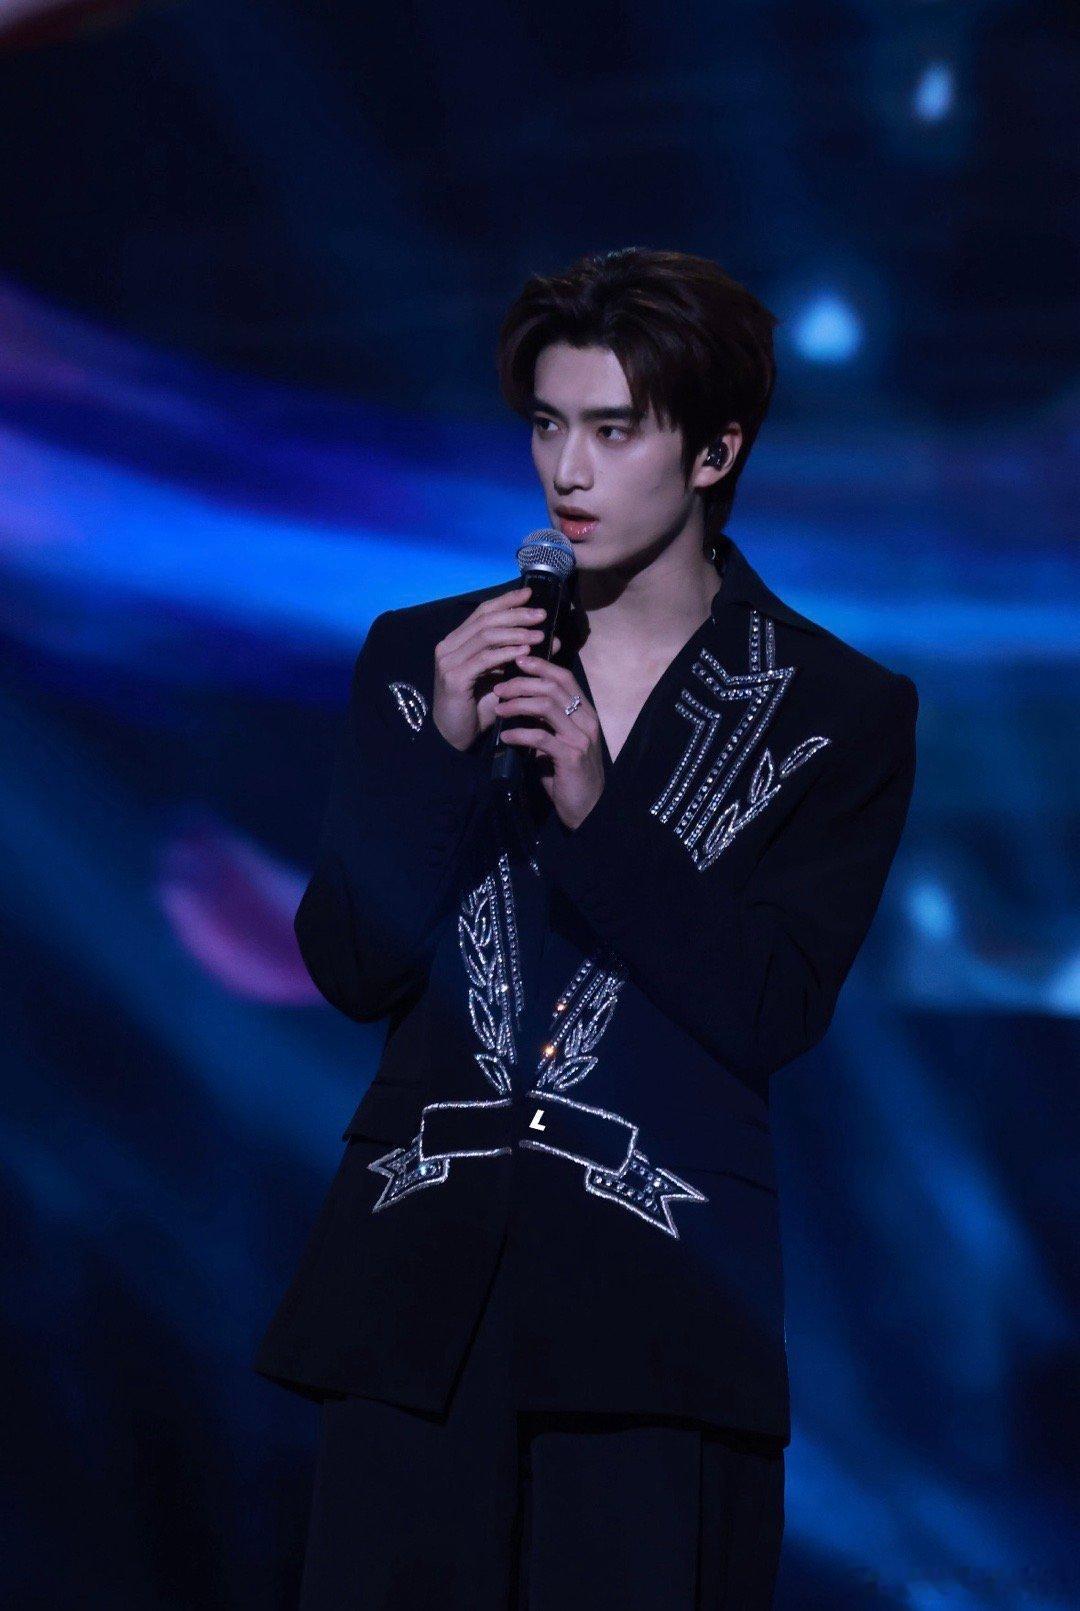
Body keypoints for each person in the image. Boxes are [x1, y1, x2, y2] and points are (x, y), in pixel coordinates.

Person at [252, 246, 920, 1608]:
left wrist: (603, 814)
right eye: (548, 426)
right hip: (413, 1299)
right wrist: (439, 761)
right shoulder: (425, 658)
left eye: (615, 432)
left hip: (658, 1312)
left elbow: (771, 1008)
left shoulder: (837, 710)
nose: (568, 471)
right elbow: (351, 966)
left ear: (716, 451)